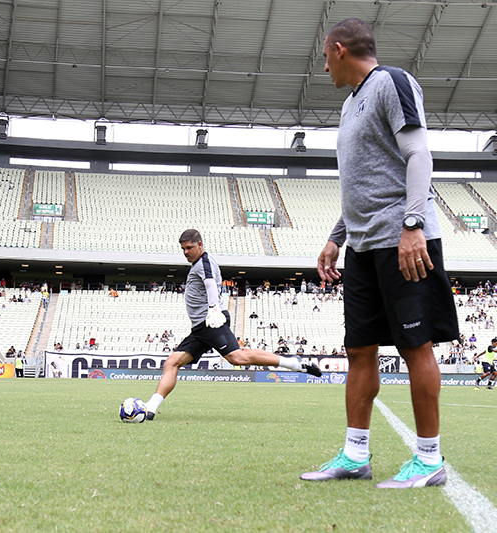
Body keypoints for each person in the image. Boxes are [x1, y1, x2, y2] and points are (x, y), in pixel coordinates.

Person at [301, 18, 458, 489]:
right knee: (359, 351)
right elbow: (361, 185)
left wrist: (413, 225)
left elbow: (418, 154)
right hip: (364, 247)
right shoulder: (350, 105)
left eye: (324, 56)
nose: (323, 65)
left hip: (403, 241)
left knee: (414, 347)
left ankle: (429, 459)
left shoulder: (391, 81)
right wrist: (336, 236)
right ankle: (355, 456)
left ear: (339, 48)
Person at [143, 229, 321, 421]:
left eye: (189, 247)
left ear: (200, 245)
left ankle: (293, 364)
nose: (186, 252)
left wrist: (213, 309)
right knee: (172, 362)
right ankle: (150, 408)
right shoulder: (198, 264)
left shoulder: (204, 262)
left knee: (237, 358)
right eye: (183, 249)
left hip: (210, 322)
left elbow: (210, 284)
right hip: (200, 328)